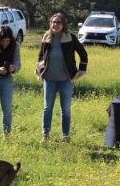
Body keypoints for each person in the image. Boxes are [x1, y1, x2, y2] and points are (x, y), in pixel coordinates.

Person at [35, 12, 88, 142]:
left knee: (65, 109)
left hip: (66, 80)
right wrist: (40, 68)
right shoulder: (46, 37)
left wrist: (81, 71)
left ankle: (65, 136)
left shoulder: (70, 38)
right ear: (50, 24)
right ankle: (45, 135)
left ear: (63, 25)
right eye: (53, 22)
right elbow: (41, 55)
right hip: (49, 79)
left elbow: (83, 54)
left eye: (59, 22)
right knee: (47, 108)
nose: (56, 25)